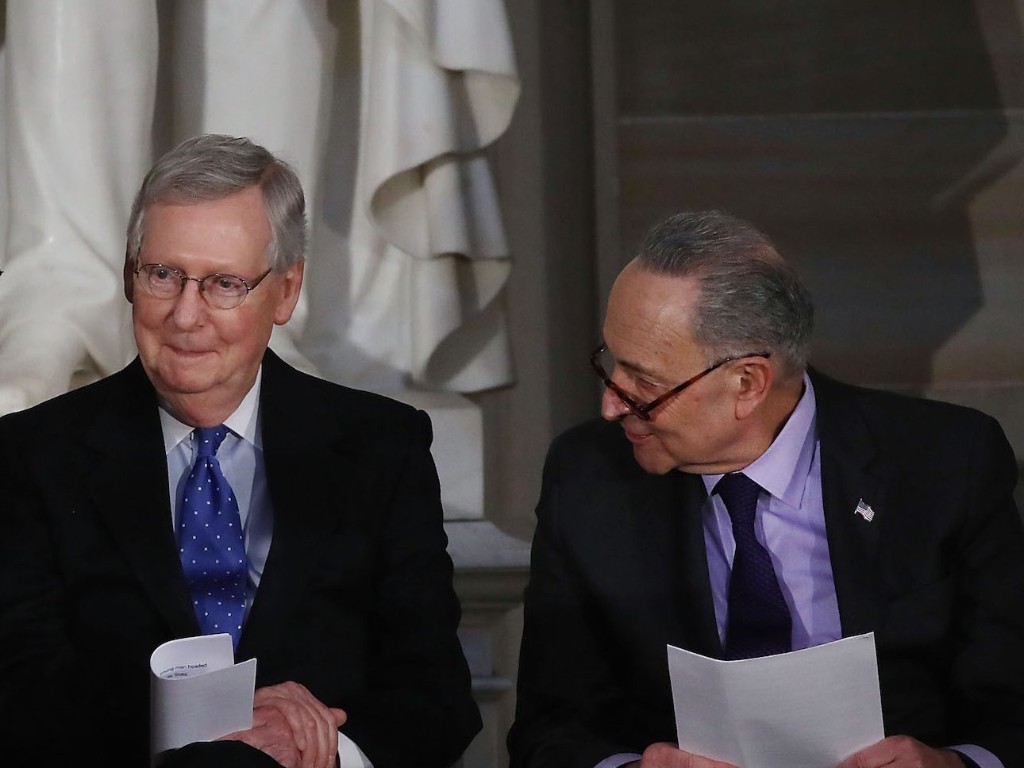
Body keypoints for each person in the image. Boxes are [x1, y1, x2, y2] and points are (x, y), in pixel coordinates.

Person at [0, 134, 482, 768]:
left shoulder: (381, 447)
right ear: (129, 275)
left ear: (286, 291)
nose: (185, 316)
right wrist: (212, 730)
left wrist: (316, 746)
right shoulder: (31, 455)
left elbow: (436, 692)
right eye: (163, 275)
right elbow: (19, 692)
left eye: (224, 284)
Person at [507, 209, 1024, 768]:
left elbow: (1012, 704)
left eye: (644, 383)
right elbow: (548, 728)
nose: (611, 404)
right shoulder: (587, 478)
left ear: (748, 383)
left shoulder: (945, 462)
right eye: (611, 364)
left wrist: (955, 764)